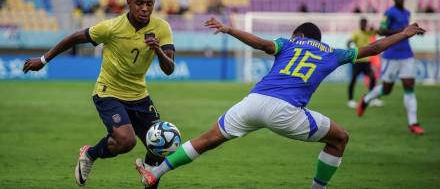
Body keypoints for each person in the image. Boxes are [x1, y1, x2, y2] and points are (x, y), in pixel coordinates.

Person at [134, 17, 425, 188]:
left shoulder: (288, 44)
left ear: (298, 35)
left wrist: (228, 29)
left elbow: (261, 44)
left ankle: (155, 173)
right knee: (340, 138)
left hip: (253, 101)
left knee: (208, 138)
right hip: (286, 111)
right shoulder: (332, 52)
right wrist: (405, 33)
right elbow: (374, 47)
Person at [22, 0, 175, 188]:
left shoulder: (162, 28)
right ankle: (90, 154)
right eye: (139, 3)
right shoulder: (111, 27)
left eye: (149, 3)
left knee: (160, 146)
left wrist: (158, 50)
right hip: (108, 92)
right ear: (128, 2)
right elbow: (75, 37)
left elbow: (169, 69)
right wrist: (43, 59)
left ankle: (149, 171)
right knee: (126, 141)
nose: (145, 8)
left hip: (139, 95)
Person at [357, 0, 425, 135]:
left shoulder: (406, 13)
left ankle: (413, 123)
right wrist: (403, 31)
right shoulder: (389, 13)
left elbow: (405, 33)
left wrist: (414, 32)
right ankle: (366, 99)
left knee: (409, 86)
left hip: (406, 55)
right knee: (387, 89)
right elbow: (381, 30)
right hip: (391, 55)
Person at [346, 18, 383, 108]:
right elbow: (349, 41)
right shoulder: (356, 33)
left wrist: (373, 28)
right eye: (362, 23)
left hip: (366, 61)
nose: (363, 25)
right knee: (353, 80)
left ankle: (371, 99)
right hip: (358, 61)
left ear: (366, 24)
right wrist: (350, 47)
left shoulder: (369, 32)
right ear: (360, 24)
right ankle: (350, 100)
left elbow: (379, 32)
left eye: (364, 23)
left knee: (373, 78)